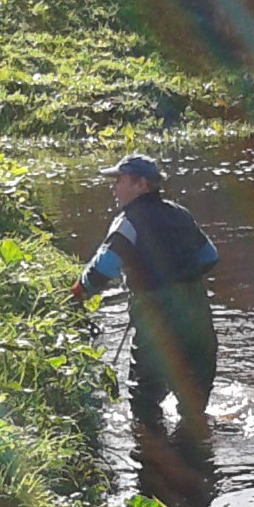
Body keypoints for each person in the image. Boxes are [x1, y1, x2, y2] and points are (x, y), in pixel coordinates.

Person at [73, 153, 219, 431]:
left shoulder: (128, 222)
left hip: (157, 317)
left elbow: (103, 269)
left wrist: (78, 291)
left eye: (119, 180)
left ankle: (153, 463)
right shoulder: (180, 214)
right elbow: (209, 257)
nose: (113, 187)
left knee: (145, 404)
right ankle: (197, 459)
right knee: (194, 406)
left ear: (141, 185)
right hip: (197, 314)